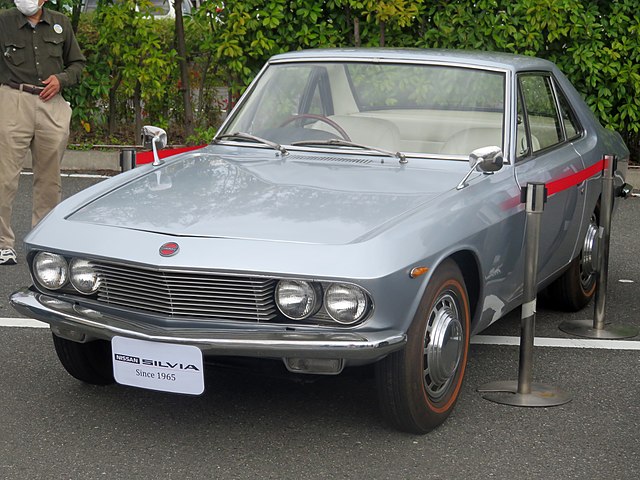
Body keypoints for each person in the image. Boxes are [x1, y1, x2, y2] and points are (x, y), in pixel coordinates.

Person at [0, 0, 85, 265]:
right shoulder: (4, 21)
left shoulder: (61, 23)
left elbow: (77, 64)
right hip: (14, 98)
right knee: (4, 177)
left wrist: (62, 79)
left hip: (52, 104)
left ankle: (43, 243)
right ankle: (3, 244)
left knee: (49, 180)